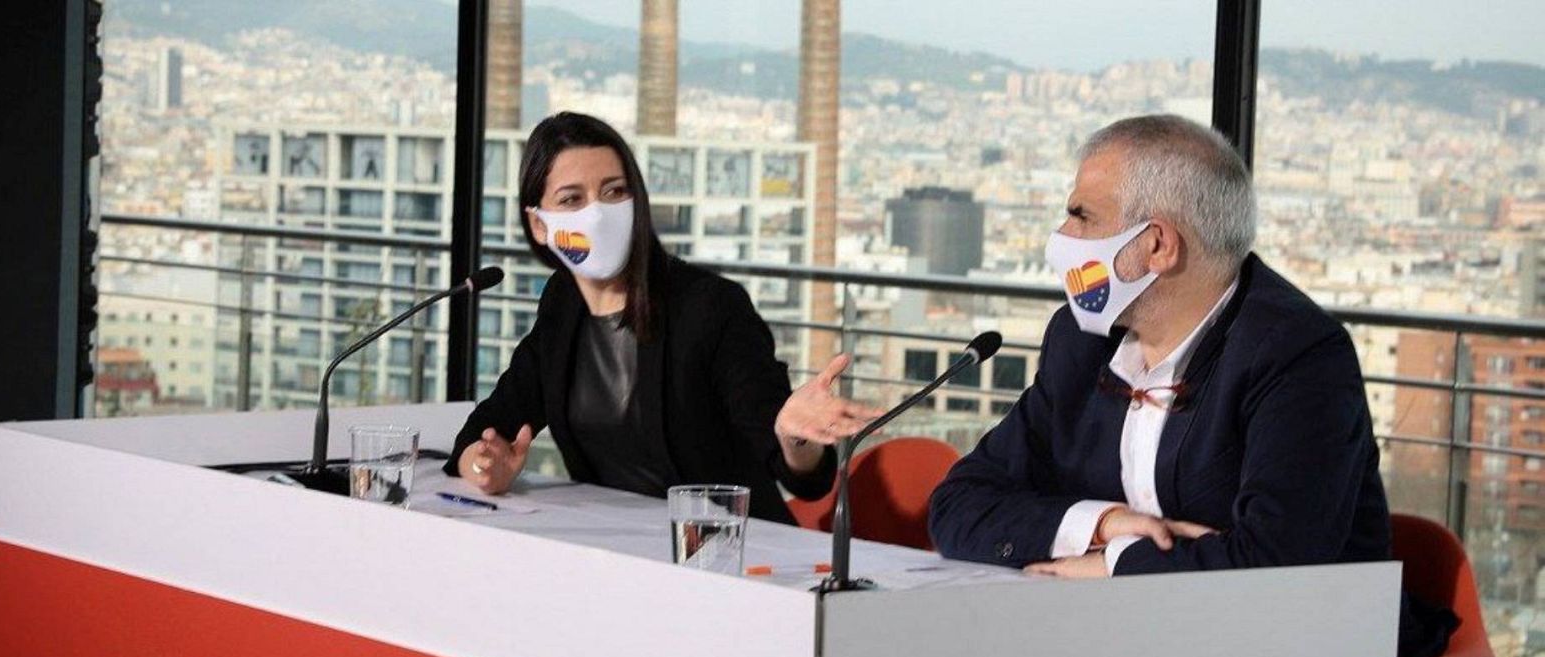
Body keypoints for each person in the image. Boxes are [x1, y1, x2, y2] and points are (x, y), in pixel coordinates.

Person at [929, 114, 1396, 578]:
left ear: (1157, 245)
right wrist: (1102, 526)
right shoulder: (1079, 342)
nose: (1062, 238)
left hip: (1302, 641)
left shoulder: (1298, 356)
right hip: (1114, 632)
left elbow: (1275, 563)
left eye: (1081, 216)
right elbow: (958, 506)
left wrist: (1115, 565)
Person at [445, 112, 880, 523]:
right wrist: (484, 466)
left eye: (615, 191)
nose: (597, 211)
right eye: (572, 199)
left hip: (724, 550)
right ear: (539, 225)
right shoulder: (562, 304)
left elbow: (802, 475)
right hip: (616, 551)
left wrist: (795, 438)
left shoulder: (709, 307)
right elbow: (485, 432)